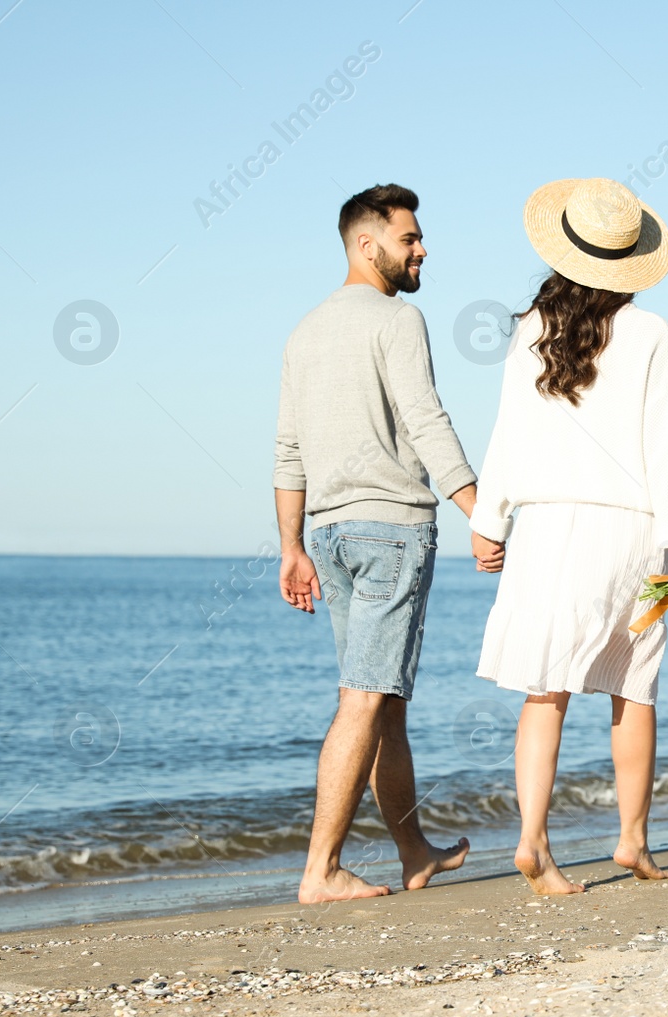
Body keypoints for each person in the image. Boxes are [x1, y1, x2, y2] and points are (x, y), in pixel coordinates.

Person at [469, 177, 668, 895]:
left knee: (544, 689)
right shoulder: (650, 331)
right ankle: (633, 839)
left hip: (545, 527)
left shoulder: (530, 328)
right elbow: (659, 440)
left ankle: (532, 843)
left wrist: (490, 519)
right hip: (626, 530)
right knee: (632, 688)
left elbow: (508, 431)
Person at [274, 183, 503, 904]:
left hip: (330, 533)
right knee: (365, 697)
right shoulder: (398, 318)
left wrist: (291, 546)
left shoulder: (303, 331)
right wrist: (479, 508)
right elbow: (426, 418)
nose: (422, 249)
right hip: (392, 531)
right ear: (367, 244)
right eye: (410, 238)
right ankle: (321, 869)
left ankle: (412, 851)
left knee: (384, 700)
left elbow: (288, 452)